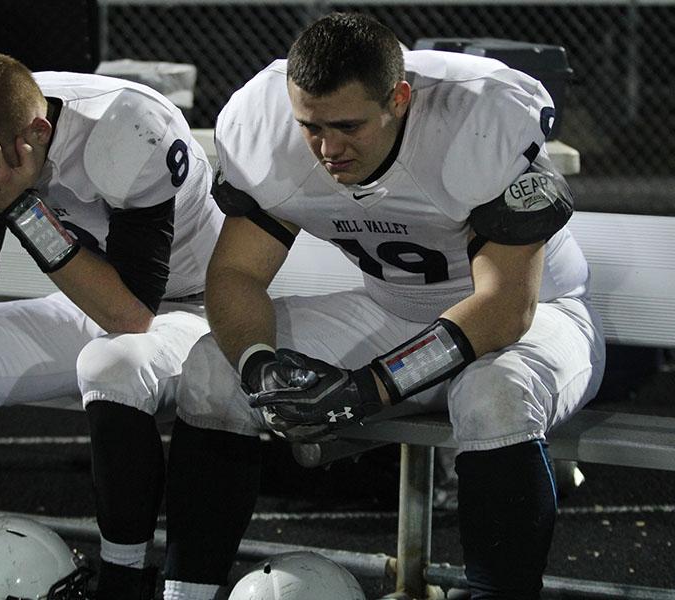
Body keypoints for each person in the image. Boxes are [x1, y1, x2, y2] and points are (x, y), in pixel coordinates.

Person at [161, 13, 605, 600]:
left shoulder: (476, 117)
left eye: (348, 126)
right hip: (394, 309)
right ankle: (185, 593)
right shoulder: (267, 125)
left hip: (536, 318)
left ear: (400, 98)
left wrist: (366, 389)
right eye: (310, 127)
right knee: (212, 371)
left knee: (495, 395)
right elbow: (236, 273)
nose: (327, 148)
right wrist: (259, 366)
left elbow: (503, 307)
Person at [0, 51, 222, 600]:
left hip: (193, 309)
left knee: (112, 362)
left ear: (39, 133)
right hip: (94, 295)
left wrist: (23, 207)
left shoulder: (126, 131)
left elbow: (131, 317)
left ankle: (124, 584)